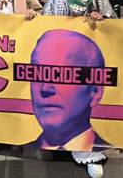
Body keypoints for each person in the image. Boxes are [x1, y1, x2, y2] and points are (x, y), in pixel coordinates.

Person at [41, 0, 116, 178]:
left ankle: (88, 152)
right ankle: (66, 145)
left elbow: (111, 17)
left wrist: (101, 20)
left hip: (89, 59)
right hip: (63, 57)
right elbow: (48, 20)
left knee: (86, 103)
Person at [26, 30, 111, 178]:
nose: (45, 88)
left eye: (63, 73)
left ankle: (89, 156)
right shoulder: (26, 148)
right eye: (38, 72)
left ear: (96, 91)